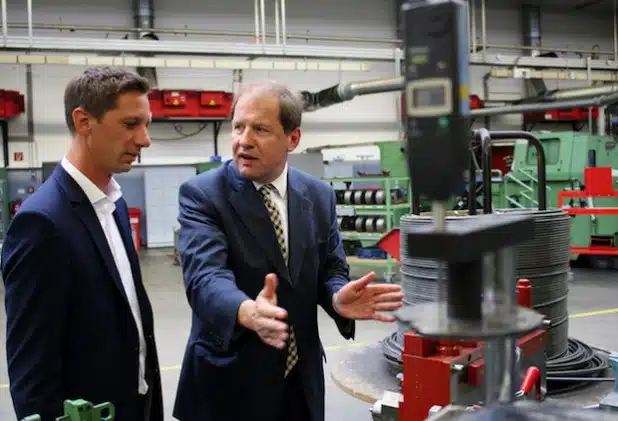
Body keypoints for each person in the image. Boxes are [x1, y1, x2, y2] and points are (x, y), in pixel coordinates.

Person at [173, 80, 405, 421]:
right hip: (230, 380)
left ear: (292, 139)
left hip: (300, 380)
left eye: (261, 129)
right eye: (238, 127)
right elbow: (206, 278)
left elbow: (330, 268)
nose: (244, 140)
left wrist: (337, 297)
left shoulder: (318, 196)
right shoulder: (203, 194)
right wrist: (247, 310)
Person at [1, 66, 163, 421]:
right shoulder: (41, 223)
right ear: (84, 121)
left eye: (146, 124)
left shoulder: (114, 204)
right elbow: (31, 372)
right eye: (130, 124)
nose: (145, 139)